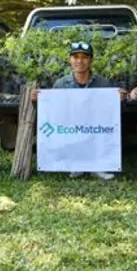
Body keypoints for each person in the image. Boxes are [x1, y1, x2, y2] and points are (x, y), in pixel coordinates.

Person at [30, 40, 127, 180]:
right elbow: (51, 113)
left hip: (95, 129)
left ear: (91, 60)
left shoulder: (103, 84)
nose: (80, 61)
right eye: (75, 57)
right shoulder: (61, 84)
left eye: (84, 57)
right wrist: (36, 101)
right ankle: (75, 164)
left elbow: (113, 114)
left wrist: (119, 99)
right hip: (70, 129)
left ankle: (98, 166)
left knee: (103, 130)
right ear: (70, 60)